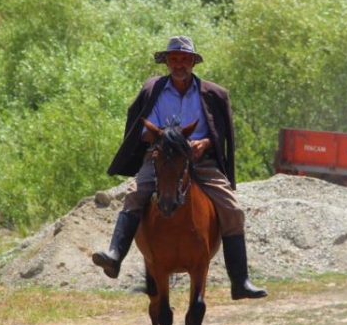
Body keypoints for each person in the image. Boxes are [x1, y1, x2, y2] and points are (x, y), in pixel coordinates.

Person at [92, 36, 267, 300]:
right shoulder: (154, 90)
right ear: (167, 62)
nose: (179, 64)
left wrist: (205, 142)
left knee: (233, 209)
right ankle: (115, 255)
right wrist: (165, 138)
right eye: (174, 59)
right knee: (136, 194)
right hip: (161, 158)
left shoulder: (213, 94)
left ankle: (240, 281)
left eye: (185, 59)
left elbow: (219, 133)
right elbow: (143, 130)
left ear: (193, 62)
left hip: (200, 159)